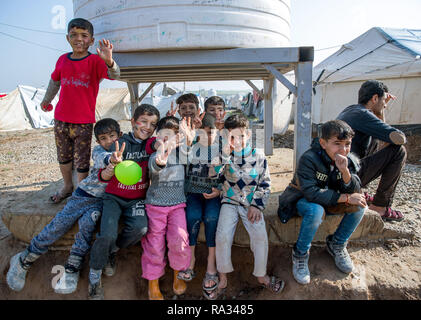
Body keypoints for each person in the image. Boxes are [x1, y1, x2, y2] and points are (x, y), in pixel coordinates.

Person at [6, 118, 122, 294]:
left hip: (101, 201)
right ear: (98, 141)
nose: (108, 141)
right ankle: (25, 258)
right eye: (103, 138)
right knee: (59, 224)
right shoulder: (100, 152)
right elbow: (102, 160)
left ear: (119, 136)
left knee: (88, 225)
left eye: (112, 136)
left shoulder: (125, 148)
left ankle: (72, 267)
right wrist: (112, 160)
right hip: (84, 195)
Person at [40, 18, 120, 204]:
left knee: (81, 158)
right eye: (74, 35)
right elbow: (55, 82)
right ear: (67, 38)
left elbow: (114, 75)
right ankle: (68, 186)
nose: (79, 39)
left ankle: (81, 190)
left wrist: (109, 61)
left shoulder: (95, 61)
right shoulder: (62, 60)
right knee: (64, 155)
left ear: (91, 41)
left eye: (84, 35)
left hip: (83, 121)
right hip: (61, 119)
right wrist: (46, 101)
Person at [87, 104, 160, 300]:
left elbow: (154, 145)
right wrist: (111, 161)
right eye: (143, 121)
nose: (147, 127)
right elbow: (102, 167)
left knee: (140, 229)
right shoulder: (119, 143)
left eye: (152, 124)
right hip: (113, 199)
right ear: (132, 121)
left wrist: (164, 142)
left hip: (137, 200)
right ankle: (94, 276)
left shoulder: (149, 143)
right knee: (107, 235)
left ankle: (113, 251)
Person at [209, 113, 284, 300]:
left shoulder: (258, 156)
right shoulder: (223, 155)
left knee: (259, 234)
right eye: (231, 137)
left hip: (250, 203)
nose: (237, 141)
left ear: (248, 134)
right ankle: (223, 276)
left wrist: (257, 206)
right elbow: (213, 176)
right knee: (222, 236)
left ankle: (261, 275)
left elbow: (265, 184)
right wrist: (224, 155)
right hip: (230, 201)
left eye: (241, 136)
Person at [288, 120, 366, 285]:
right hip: (302, 201)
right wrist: (345, 198)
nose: (343, 150)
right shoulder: (309, 159)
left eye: (347, 144)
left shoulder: (348, 159)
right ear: (323, 143)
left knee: (359, 204)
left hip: (330, 200)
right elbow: (310, 192)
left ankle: (336, 244)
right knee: (315, 211)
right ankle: (300, 253)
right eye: (337, 144)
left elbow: (356, 187)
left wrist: (345, 171)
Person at [337, 80, 407, 222]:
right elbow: (399, 138)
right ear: (375, 98)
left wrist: (380, 111)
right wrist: (380, 111)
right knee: (399, 151)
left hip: (337, 174)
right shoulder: (363, 115)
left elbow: (384, 137)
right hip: (343, 178)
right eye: (383, 101)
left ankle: (359, 190)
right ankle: (380, 207)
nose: (385, 104)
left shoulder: (351, 109)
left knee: (375, 137)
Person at [141, 116, 191, 300]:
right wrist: (162, 157)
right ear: (157, 136)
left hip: (177, 205)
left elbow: (195, 153)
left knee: (179, 238)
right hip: (155, 206)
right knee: (154, 244)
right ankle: (152, 282)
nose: (169, 139)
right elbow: (155, 167)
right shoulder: (156, 155)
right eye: (165, 135)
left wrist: (187, 138)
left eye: (174, 135)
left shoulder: (183, 153)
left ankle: (178, 274)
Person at [177, 113, 223, 299]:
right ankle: (191, 259)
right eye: (202, 133)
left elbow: (230, 176)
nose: (207, 136)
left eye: (210, 132)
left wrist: (219, 190)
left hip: (214, 194)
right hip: (194, 193)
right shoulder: (191, 148)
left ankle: (211, 263)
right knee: (192, 216)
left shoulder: (223, 149)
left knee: (212, 218)